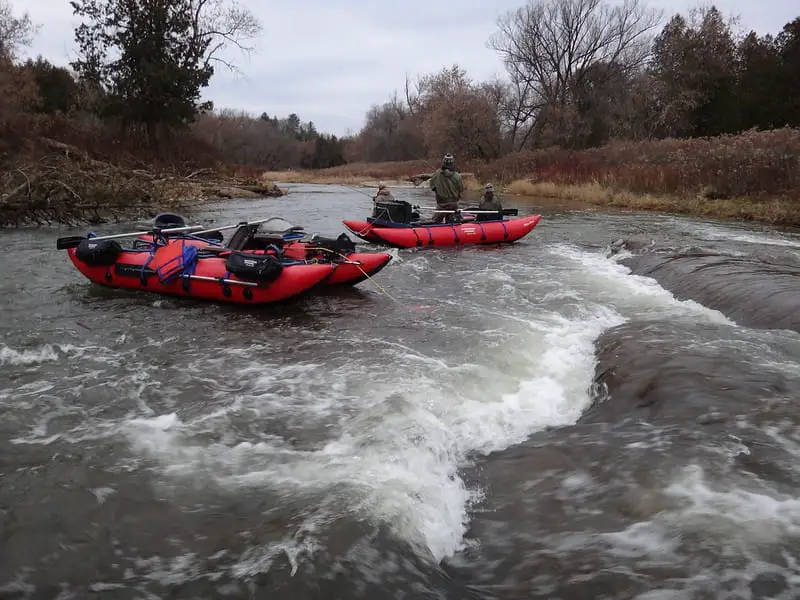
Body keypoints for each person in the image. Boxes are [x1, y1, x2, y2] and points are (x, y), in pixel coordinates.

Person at [409, 153, 464, 222]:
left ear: (443, 162)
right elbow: (461, 189)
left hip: (442, 205)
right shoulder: (458, 176)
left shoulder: (437, 174)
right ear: (453, 163)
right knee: (452, 220)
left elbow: (433, 187)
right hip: (454, 205)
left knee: (434, 222)